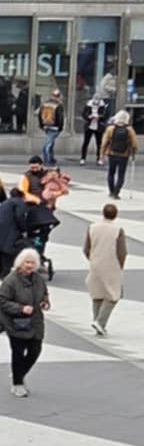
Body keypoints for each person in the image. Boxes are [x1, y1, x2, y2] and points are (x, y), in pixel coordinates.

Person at [0, 247, 50, 397]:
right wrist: (20, 308)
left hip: (35, 321)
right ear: (21, 263)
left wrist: (45, 302)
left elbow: (44, 294)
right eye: (27, 262)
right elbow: (1, 300)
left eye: (33, 263)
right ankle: (17, 383)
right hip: (16, 323)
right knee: (18, 353)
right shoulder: (11, 280)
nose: (30, 266)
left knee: (35, 351)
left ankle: (18, 373)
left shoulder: (38, 279)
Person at [83, 202, 127, 337]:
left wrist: (92, 259)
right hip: (111, 265)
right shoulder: (118, 230)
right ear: (115, 215)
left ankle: (98, 322)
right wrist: (121, 265)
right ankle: (100, 322)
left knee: (97, 294)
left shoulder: (92, 227)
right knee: (114, 294)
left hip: (95, 263)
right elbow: (122, 251)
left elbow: (86, 248)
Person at [99, 109, 137, 198]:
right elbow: (134, 143)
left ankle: (111, 191)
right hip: (124, 155)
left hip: (112, 153)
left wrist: (102, 154)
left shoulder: (110, 129)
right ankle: (116, 193)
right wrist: (133, 154)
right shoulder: (129, 129)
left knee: (111, 173)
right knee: (121, 174)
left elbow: (104, 143)